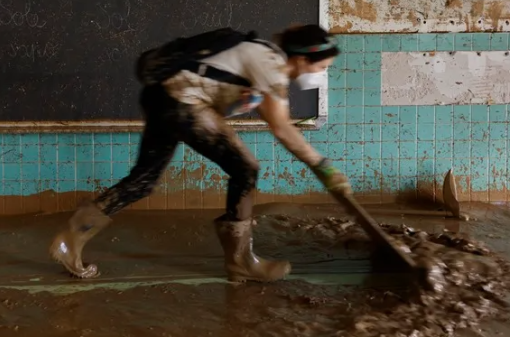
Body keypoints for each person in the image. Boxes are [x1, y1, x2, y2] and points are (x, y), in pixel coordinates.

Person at [49, 24, 351, 282]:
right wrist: (323, 167)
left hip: (161, 97)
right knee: (246, 169)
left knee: (144, 180)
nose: (320, 74)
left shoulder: (261, 52)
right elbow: (282, 128)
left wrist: (237, 102)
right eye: (321, 68)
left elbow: (226, 92)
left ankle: (71, 239)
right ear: (301, 59)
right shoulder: (271, 66)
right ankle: (241, 261)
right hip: (181, 104)